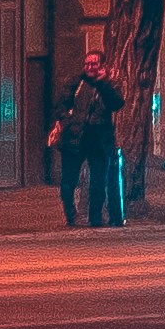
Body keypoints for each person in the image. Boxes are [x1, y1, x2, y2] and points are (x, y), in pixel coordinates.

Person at [52, 58, 124, 226]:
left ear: (102, 66)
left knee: (98, 179)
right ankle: (70, 214)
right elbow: (61, 104)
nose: (90, 67)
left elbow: (116, 103)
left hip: (98, 139)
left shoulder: (108, 85)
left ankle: (95, 217)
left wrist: (103, 84)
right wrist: (67, 119)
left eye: (94, 64)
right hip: (74, 137)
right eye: (87, 64)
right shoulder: (77, 82)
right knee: (68, 180)